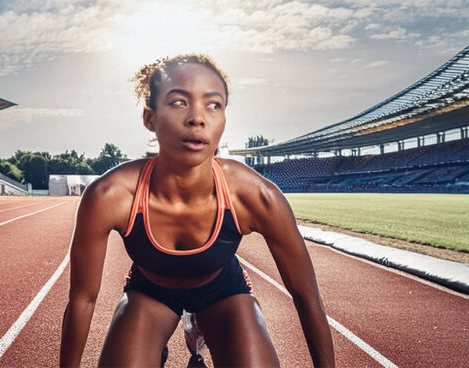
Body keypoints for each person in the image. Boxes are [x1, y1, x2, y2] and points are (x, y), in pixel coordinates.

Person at [59, 54, 335, 367]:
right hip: (150, 292)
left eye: (213, 105)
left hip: (222, 292)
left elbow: (306, 296)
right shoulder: (110, 195)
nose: (197, 118)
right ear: (150, 117)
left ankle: (202, 326)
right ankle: (156, 344)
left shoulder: (257, 195)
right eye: (179, 102)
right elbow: (82, 298)